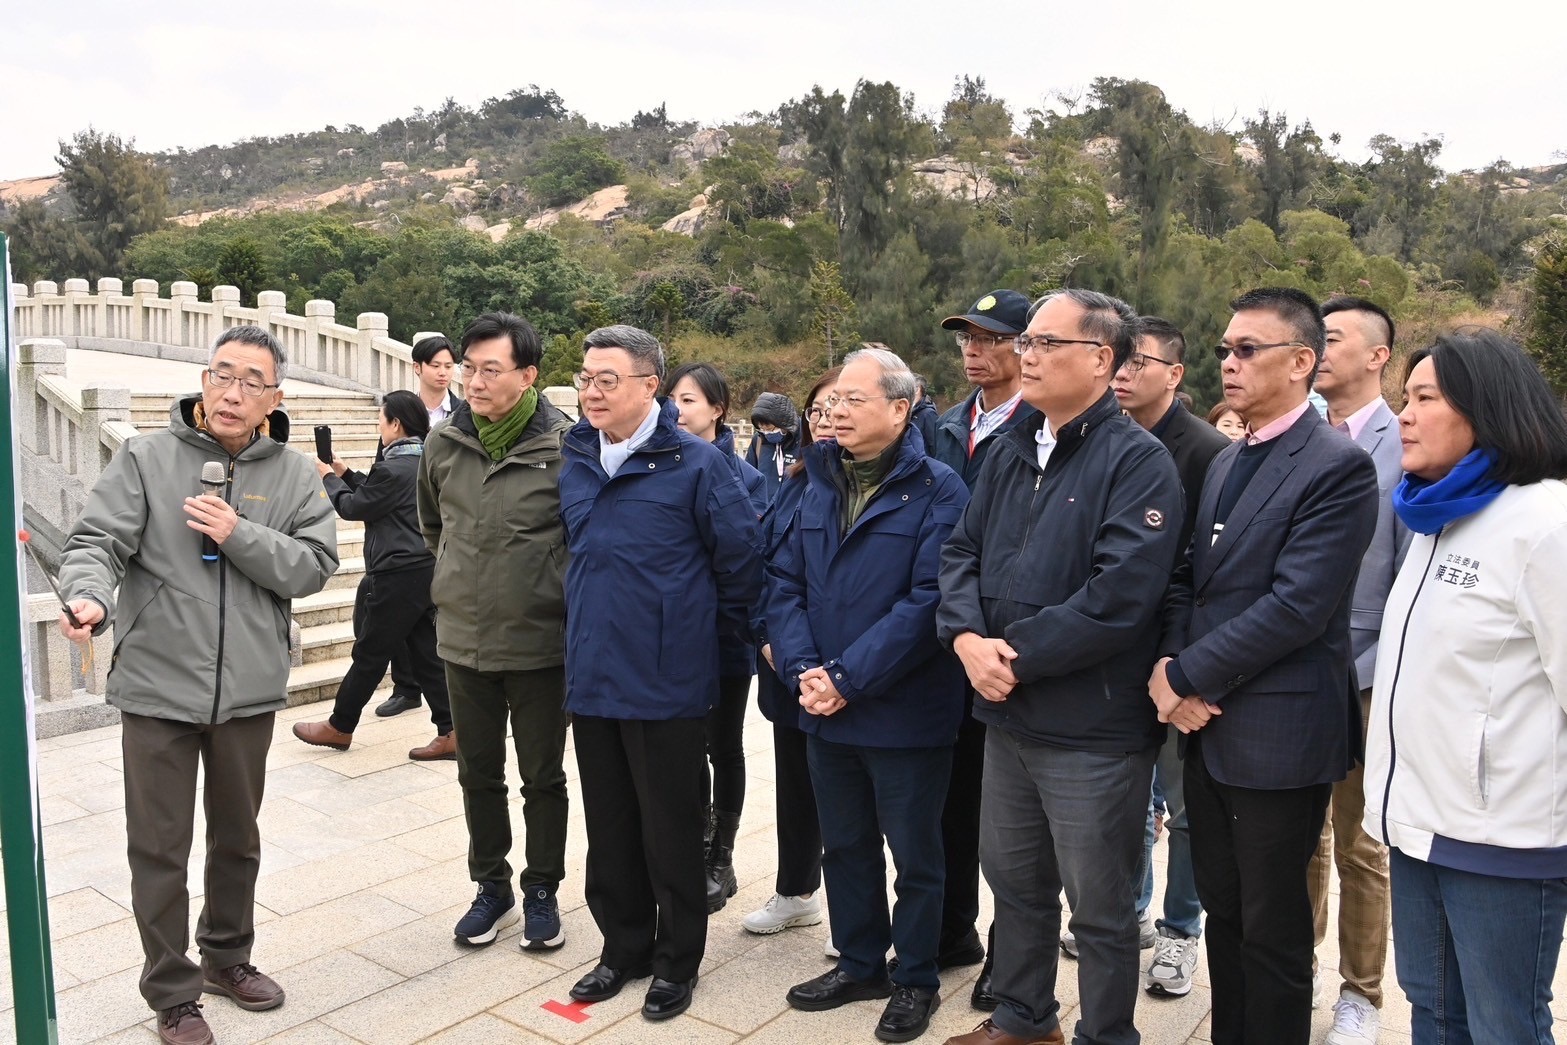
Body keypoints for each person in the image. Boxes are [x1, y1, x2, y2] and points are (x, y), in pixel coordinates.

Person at [57, 326, 338, 1045]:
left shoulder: (295, 475)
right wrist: (88, 596)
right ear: (204, 381)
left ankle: (227, 956)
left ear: (275, 397)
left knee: (237, 838)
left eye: (251, 381)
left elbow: (313, 566)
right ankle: (173, 992)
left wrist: (238, 532)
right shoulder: (147, 457)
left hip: (247, 689)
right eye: (221, 374)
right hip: (157, 684)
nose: (232, 392)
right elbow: (97, 542)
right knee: (158, 847)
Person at [938, 290, 1184, 1045]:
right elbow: (960, 551)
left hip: (1091, 727)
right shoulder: (1013, 448)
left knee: (1100, 906)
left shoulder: (1137, 461)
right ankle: (1023, 1019)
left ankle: (1105, 1032)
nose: (1028, 354)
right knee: (1015, 884)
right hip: (1007, 715)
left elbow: (1120, 596)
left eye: (1046, 342)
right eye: (1028, 342)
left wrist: (1011, 657)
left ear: (1101, 358)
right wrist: (965, 638)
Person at [1148, 287, 1379, 1045]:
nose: (1228, 362)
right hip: (1207, 726)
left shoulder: (1336, 466)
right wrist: (1170, 664)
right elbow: (1189, 578)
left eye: (1247, 349)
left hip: (1278, 733)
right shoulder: (1227, 459)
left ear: (1301, 360)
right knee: (1223, 909)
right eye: (1225, 349)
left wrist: (1186, 677)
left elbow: (1297, 606)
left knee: (1273, 926)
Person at [1362, 330, 1567, 1045]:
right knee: (1434, 1011)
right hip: (1419, 824)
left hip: (1502, 838)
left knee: (1503, 1023)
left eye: (1424, 398)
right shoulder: (1434, 515)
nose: (1404, 415)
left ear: (1487, 409)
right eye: (1404, 398)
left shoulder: (1545, 524)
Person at [560, 325, 762, 1022]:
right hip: (592, 673)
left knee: (671, 830)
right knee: (609, 824)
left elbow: (740, 563)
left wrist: (689, 636)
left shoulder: (696, 464)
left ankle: (676, 961)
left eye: (607, 379)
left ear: (650, 386)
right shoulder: (577, 456)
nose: (591, 391)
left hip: (667, 679)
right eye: (585, 378)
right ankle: (623, 948)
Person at [769, 347, 970, 1044]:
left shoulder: (939, 488)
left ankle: (915, 976)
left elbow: (929, 600)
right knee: (846, 845)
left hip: (904, 710)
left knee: (915, 855)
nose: (836, 412)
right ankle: (859, 963)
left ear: (900, 408)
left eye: (853, 400)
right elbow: (783, 582)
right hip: (823, 703)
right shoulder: (817, 479)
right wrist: (805, 671)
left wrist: (847, 678)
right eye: (831, 402)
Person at [417, 312, 573, 951]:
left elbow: (582, 539)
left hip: (541, 645)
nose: (473, 382)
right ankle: (492, 888)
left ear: (528, 375)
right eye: (467, 368)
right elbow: (433, 527)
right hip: (464, 641)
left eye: (490, 369)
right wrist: (458, 580)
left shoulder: (567, 446)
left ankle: (542, 890)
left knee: (542, 778)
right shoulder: (444, 442)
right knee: (478, 775)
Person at [1109, 316, 1230, 1000]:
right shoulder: (1101, 438)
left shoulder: (1209, 452)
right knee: (1126, 801)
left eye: (1139, 362)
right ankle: (1128, 913)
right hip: (1113, 656)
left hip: (1182, 659)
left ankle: (1181, 928)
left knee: (1185, 809)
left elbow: (1209, 569)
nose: (1122, 374)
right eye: (1117, 360)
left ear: (1175, 374)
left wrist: (1185, 663)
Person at [930, 289, 1039, 1010]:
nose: (975, 349)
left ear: (1028, 346)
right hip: (948, 636)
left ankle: (1010, 952)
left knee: (1009, 820)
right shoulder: (943, 424)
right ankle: (950, 931)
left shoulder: (1044, 427)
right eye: (967, 336)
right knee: (949, 799)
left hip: (1007, 645)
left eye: (992, 337)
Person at [1308, 296, 1410, 1044]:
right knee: (1297, 836)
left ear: (1377, 355)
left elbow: (1407, 575)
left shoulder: (1404, 442)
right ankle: (1299, 964)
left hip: (1368, 672)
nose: (1318, 350)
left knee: (1361, 842)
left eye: (1332, 338)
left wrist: (1377, 671)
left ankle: (1361, 993)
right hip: (1289, 671)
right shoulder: (1296, 434)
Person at [290, 391, 454, 760]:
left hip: (396, 574)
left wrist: (328, 479)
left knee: (370, 653)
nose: (379, 426)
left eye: (381, 419)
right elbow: (381, 494)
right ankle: (452, 730)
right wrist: (346, 472)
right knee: (426, 654)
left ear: (396, 423)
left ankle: (340, 725)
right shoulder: (425, 461)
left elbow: (353, 507)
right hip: (424, 569)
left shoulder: (391, 468)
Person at [662, 361, 766, 913]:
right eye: (672, 400)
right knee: (681, 746)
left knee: (722, 744)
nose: (677, 411)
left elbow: (748, 560)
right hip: (673, 635)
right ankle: (693, 846)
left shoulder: (746, 478)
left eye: (689, 401)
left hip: (724, 634)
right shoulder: (659, 464)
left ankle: (720, 856)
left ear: (718, 410)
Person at [743, 369, 839, 940]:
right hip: (786, 664)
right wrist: (766, 639)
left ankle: (856, 911)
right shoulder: (796, 479)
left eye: (839, 407)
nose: (826, 420)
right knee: (796, 785)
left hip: (844, 673)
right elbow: (768, 570)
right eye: (817, 411)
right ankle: (796, 891)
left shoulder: (879, 486)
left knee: (852, 795)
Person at [374, 333, 463, 720]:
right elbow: (382, 465)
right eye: (436, 365)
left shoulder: (463, 413)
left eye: (449, 366)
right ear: (417, 368)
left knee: (432, 613)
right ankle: (406, 688)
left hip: (445, 521)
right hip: (402, 525)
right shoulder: (398, 411)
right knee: (399, 607)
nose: (443, 373)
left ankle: (447, 691)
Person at [747, 391, 801, 503]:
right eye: (761, 428)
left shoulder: (804, 441)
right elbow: (748, 478)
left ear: (783, 422)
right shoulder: (759, 441)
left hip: (792, 509)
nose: (766, 433)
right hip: (763, 509)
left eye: (769, 427)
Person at [911, 372, 939, 451]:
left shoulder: (928, 414)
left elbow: (935, 446)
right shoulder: (907, 412)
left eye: (907, 386)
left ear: (917, 389)